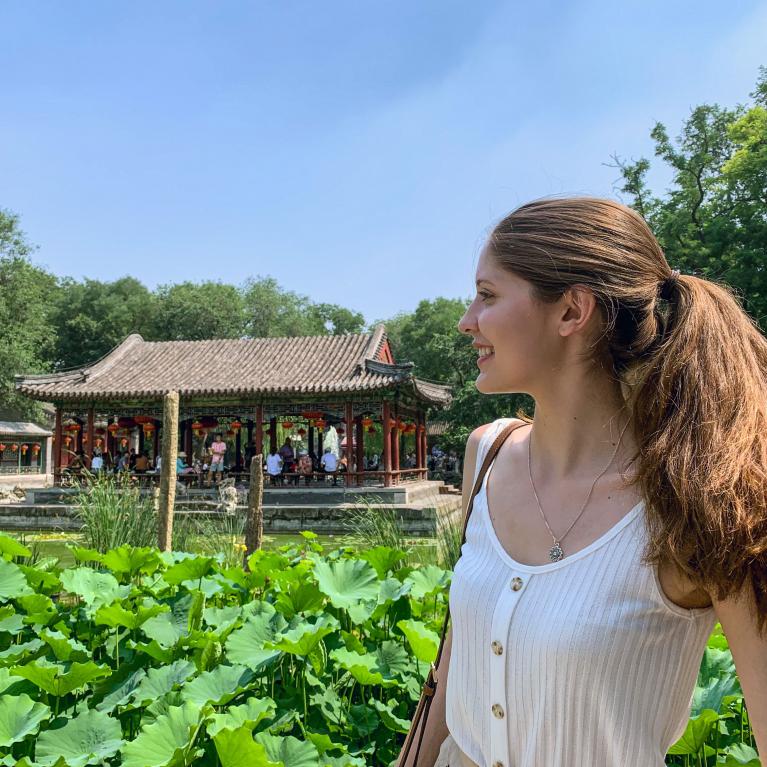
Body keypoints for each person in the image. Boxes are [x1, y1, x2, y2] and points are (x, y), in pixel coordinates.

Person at [398, 198, 767, 767]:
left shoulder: (699, 496)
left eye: (488, 294)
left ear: (572, 311)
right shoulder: (487, 453)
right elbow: (452, 669)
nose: (466, 319)